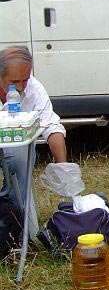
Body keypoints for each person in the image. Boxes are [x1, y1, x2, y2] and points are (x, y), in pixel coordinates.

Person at [0, 46, 67, 234]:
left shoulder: (34, 87)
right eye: (14, 81)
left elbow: (51, 125)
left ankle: (18, 226)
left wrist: (62, 167)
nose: (21, 87)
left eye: (25, 79)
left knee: (21, 155)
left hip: (13, 149)